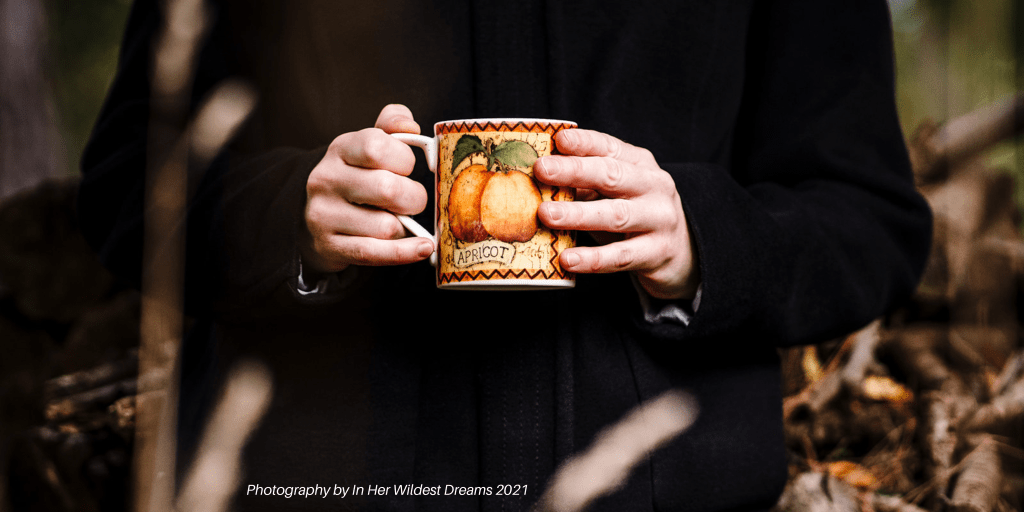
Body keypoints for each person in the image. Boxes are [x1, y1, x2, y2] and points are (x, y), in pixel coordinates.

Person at [78, 0, 932, 511]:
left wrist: (700, 238)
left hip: (670, 496)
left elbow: (866, 217)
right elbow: (128, 182)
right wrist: (290, 216)